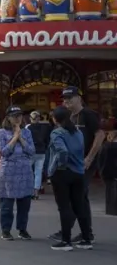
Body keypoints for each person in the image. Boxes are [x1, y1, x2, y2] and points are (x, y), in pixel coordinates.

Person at [50, 87, 103, 244]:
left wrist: (89, 158)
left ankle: (81, 232)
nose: (67, 101)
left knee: (79, 196)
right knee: (77, 196)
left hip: (84, 161)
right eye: (64, 99)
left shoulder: (88, 114)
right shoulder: (68, 117)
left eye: (70, 98)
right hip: (72, 162)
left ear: (79, 98)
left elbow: (100, 135)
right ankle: (78, 231)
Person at [46, 106, 93, 251]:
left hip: (63, 173)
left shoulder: (57, 133)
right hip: (79, 171)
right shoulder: (78, 132)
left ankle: (66, 241)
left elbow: (62, 151)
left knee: (64, 207)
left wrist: (59, 166)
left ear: (55, 119)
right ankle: (86, 239)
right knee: (79, 206)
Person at [0, 106, 35, 241]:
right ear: (8, 118)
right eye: (14, 116)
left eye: (19, 115)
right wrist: (15, 138)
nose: (18, 118)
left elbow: (31, 151)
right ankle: (6, 230)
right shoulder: (1, 132)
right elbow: (3, 152)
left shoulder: (27, 132)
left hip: (25, 170)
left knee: (24, 203)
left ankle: (22, 229)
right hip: (9, 172)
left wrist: (21, 138)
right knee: (7, 204)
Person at [27, 110, 52, 198]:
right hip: (41, 152)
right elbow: (48, 140)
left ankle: (29, 191)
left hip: (30, 152)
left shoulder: (28, 128)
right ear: (38, 118)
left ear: (30, 118)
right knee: (38, 172)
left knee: (28, 171)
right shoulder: (45, 127)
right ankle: (36, 192)